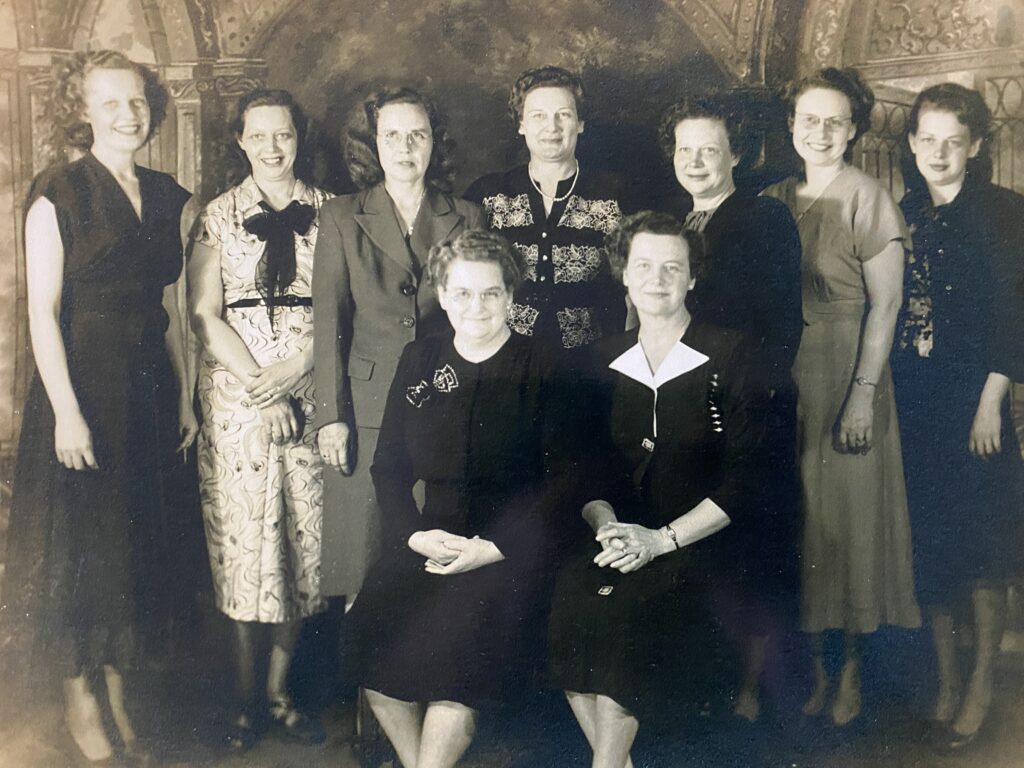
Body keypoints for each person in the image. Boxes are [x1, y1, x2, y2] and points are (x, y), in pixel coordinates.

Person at [0, 50, 196, 764]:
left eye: (138, 100)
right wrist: (68, 413)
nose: (127, 113)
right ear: (83, 110)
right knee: (84, 544)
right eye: (110, 101)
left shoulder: (168, 192)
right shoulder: (60, 189)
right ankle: (81, 696)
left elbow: (164, 308)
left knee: (128, 547)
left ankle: (114, 686)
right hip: (81, 389)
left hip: (149, 390)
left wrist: (186, 397)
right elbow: (43, 313)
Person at [547, 211, 768, 767]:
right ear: (623, 274)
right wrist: (609, 530)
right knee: (569, 597)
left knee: (627, 617)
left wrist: (660, 540)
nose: (657, 278)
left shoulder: (735, 355)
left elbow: (749, 480)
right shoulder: (598, 359)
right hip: (620, 539)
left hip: (701, 543)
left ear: (694, 277)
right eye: (643, 265)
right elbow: (586, 474)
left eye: (674, 267)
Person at [347, 229, 571, 768]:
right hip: (434, 537)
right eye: (463, 293)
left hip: (513, 548)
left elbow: (563, 485)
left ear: (511, 299)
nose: (477, 306)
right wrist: (415, 535)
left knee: (460, 645)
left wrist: (494, 548)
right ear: (442, 295)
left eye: (492, 293)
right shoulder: (419, 360)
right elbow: (389, 469)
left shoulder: (542, 364)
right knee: (369, 623)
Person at [762, 67, 921, 726]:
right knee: (798, 526)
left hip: (848, 376)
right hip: (782, 382)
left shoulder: (869, 197)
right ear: (791, 125)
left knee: (850, 529)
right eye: (809, 119)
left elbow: (886, 308)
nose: (820, 131)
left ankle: (849, 669)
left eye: (835, 121)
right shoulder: (771, 198)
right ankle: (814, 670)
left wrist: (861, 396)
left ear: (853, 130)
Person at [189, 89, 329, 749]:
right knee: (247, 548)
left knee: (302, 545)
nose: (273, 148)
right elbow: (203, 314)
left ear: (299, 137)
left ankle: (279, 693)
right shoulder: (218, 215)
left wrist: (300, 371)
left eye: (285, 135)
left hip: (309, 389)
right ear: (240, 141)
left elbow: (341, 312)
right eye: (259, 136)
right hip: (240, 402)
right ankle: (244, 702)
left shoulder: (333, 212)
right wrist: (263, 389)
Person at [658, 94, 803, 721]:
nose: (695, 161)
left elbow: (782, 324)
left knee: (746, 542)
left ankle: (744, 697)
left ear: (735, 154)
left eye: (709, 150)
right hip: (688, 399)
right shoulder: (672, 224)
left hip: (747, 400)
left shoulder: (762, 218)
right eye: (685, 150)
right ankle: (704, 690)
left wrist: (743, 394)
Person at [313, 87, 484, 600]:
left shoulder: (467, 216)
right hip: (365, 410)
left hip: (444, 404)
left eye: (418, 134)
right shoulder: (341, 216)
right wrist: (330, 417)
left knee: (436, 561)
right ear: (373, 144)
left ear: (435, 143)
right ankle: (363, 682)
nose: (405, 146)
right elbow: (329, 321)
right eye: (392, 135)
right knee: (363, 564)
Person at [893, 83, 1024, 751]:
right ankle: (946, 682)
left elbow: (1014, 313)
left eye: (954, 140)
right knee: (932, 546)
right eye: (928, 139)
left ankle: (980, 686)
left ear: (974, 146)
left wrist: (990, 403)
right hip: (915, 401)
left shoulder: (1004, 212)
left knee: (982, 550)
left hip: (978, 404)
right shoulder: (905, 211)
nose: (940, 152)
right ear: (912, 144)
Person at [465, 65, 628, 350]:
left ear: (580, 123)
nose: (551, 127)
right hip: (503, 361)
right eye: (538, 116)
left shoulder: (616, 195)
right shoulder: (486, 194)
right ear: (521, 125)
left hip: (591, 364)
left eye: (563, 115)